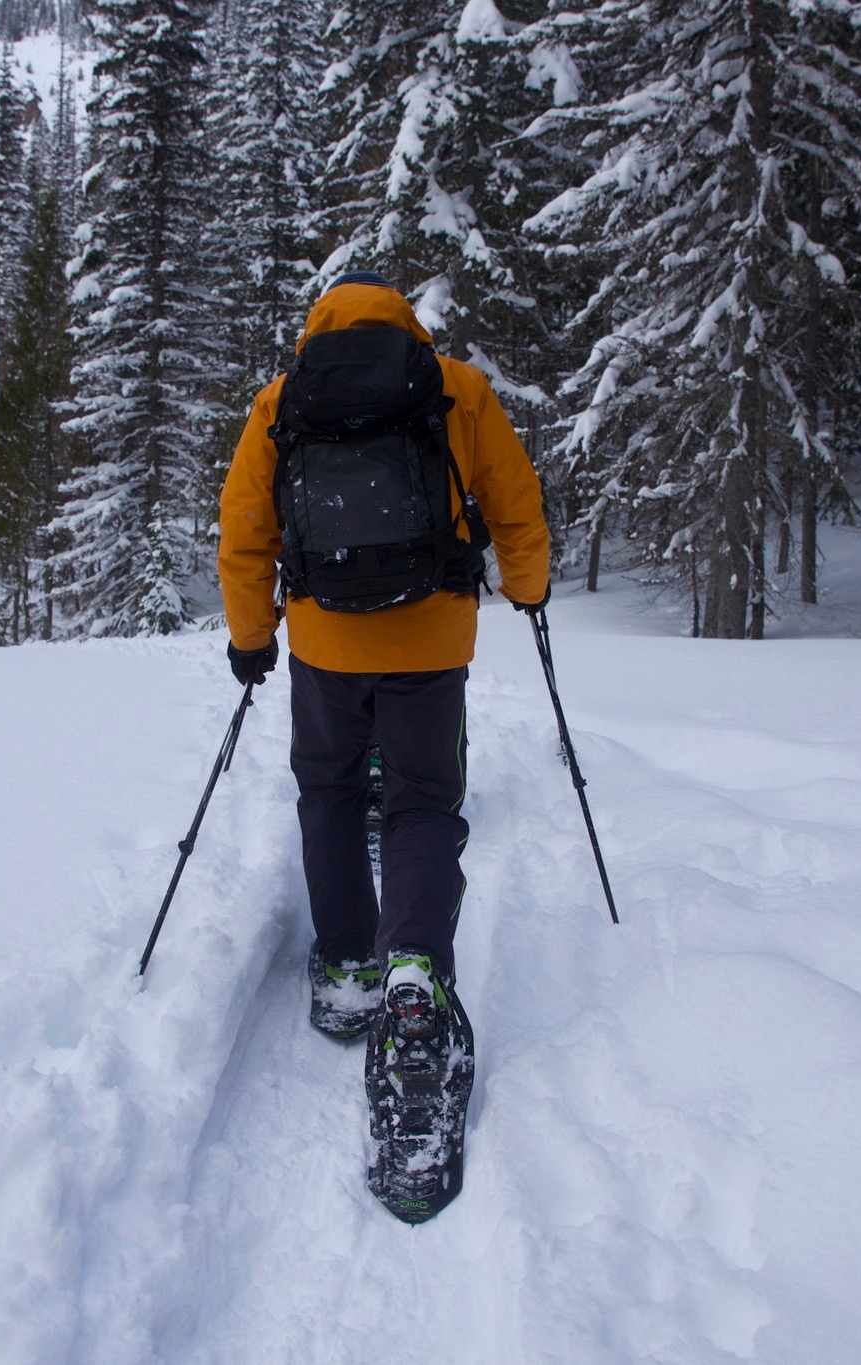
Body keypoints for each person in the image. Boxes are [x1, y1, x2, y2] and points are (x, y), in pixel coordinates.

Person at [216, 270, 551, 1066]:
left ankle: (346, 959)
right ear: (406, 320)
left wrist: (251, 636)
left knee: (330, 791)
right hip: (431, 639)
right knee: (422, 801)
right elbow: (514, 497)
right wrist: (528, 587)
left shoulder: (281, 400)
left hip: (326, 643)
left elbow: (245, 528)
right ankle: (415, 959)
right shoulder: (456, 386)